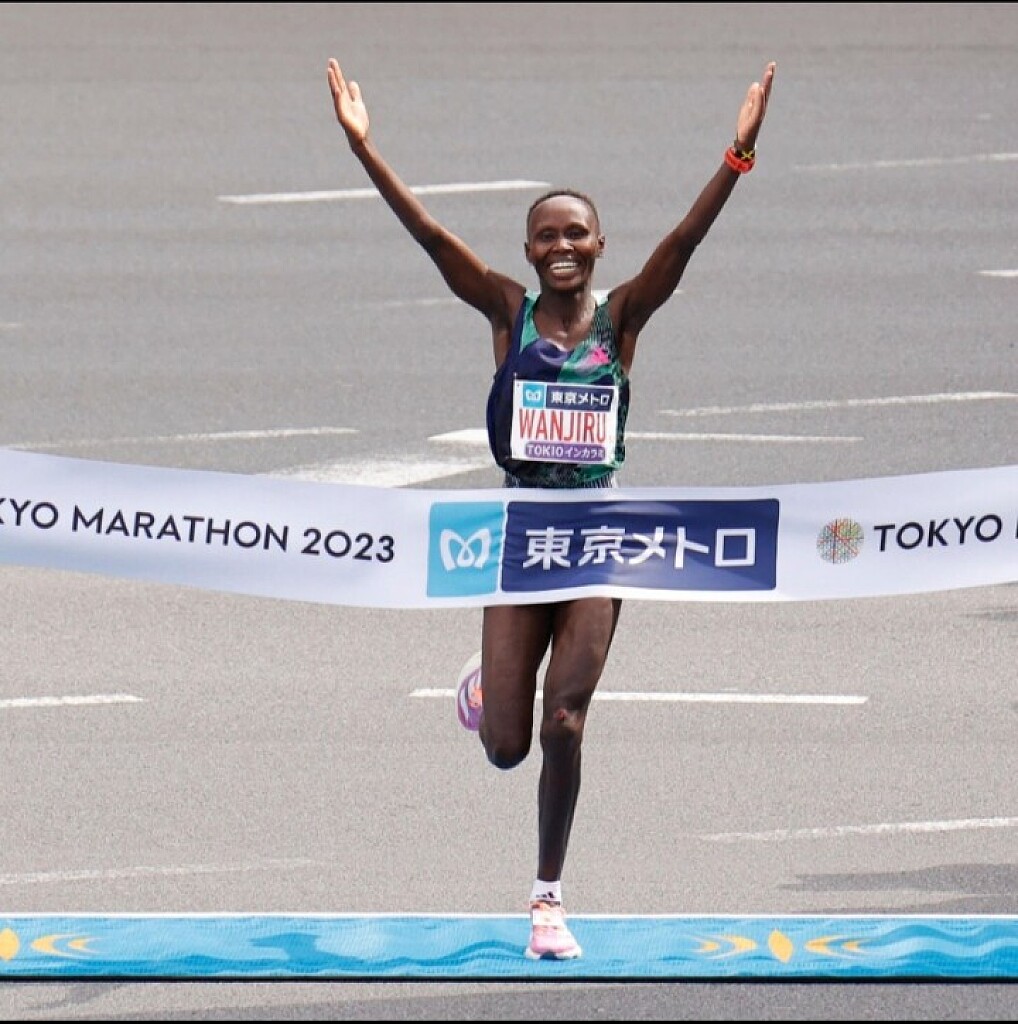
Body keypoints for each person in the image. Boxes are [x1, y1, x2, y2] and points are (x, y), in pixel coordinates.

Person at [327, 55, 776, 960]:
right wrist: (363, 147)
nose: (562, 246)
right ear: (530, 251)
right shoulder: (507, 310)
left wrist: (737, 153)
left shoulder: (623, 318)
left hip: (598, 537)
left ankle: (546, 900)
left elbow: (686, 242)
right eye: (546, 237)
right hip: (520, 534)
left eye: (577, 233)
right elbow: (430, 238)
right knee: (507, 746)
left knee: (564, 721)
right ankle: (486, 686)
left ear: (600, 245)